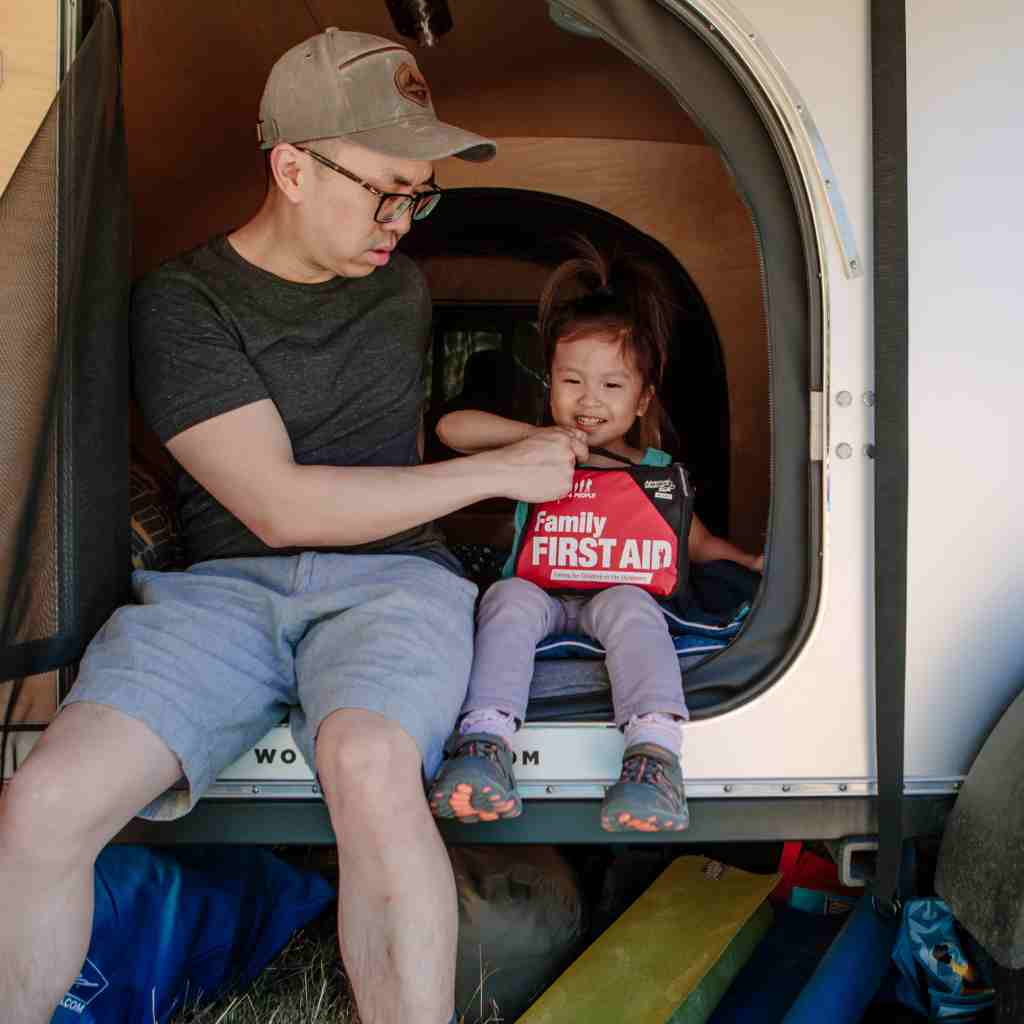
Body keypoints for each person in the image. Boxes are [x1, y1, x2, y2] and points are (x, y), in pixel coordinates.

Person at [0, 28, 586, 1024]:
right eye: (384, 189)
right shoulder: (180, 303)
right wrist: (493, 472)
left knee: (367, 763)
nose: (403, 219)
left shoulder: (396, 290)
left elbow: (384, 462)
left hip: (397, 582)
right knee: (41, 804)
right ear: (291, 168)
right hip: (220, 590)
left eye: (419, 194)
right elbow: (276, 504)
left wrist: (534, 445)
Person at [427, 240, 763, 834]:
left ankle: (654, 754)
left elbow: (698, 544)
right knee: (504, 600)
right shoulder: (537, 448)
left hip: (614, 593)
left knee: (636, 609)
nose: (588, 399)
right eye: (572, 381)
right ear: (550, 386)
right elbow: (452, 428)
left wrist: (753, 562)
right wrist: (539, 439)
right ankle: (484, 744)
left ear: (642, 399)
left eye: (612, 386)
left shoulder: (653, 469)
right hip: (543, 596)